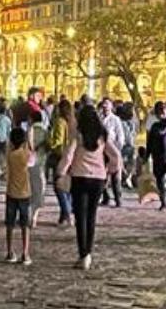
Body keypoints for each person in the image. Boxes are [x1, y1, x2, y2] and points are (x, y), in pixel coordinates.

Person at [57, 104, 122, 270]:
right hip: (98, 179)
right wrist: (109, 171)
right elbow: (116, 156)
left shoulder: (78, 135)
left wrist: (61, 172)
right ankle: (89, 253)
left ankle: (83, 254)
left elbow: (68, 155)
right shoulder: (102, 136)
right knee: (91, 216)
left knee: (81, 217)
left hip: (80, 178)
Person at [4, 126, 33, 265]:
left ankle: (10, 252)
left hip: (11, 192)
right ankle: (25, 253)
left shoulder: (10, 155)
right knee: (25, 225)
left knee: (10, 225)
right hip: (25, 193)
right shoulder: (26, 155)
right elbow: (33, 160)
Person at [48, 98, 74, 225]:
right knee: (67, 186)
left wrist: (49, 142)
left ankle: (67, 211)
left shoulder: (59, 121)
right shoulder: (73, 122)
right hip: (71, 155)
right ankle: (63, 216)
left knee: (58, 186)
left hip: (60, 156)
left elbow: (57, 140)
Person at [26, 108, 48, 227]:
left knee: (29, 191)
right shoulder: (46, 131)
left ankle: (28, 215)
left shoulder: (30, 130)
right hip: (41, 164)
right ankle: (34, 216)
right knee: (39, 192)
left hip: (29, 164)